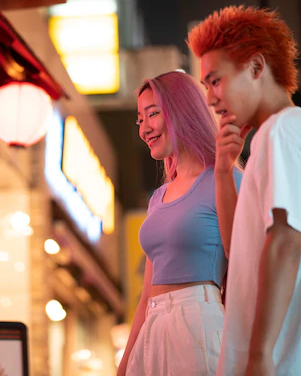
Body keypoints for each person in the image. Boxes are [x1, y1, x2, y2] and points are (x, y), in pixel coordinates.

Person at [188, 6, 301, 376]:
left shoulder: (282, 132)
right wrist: (224, 170)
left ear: (256, 68)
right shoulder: (296, 132)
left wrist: (258, 357)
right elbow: (239, 253)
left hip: (283, 363)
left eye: (215, 80)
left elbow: (285, 242)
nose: (210, 98)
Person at [118, 71, 242, 376]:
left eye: (153, 114)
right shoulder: (158, 197)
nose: (144, 128)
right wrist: (123, 365)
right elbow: (146, 295)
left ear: (180, 111)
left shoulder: (225, 178)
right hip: (153, 326)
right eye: (139, 119)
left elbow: (246, 269)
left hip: (199, 319)